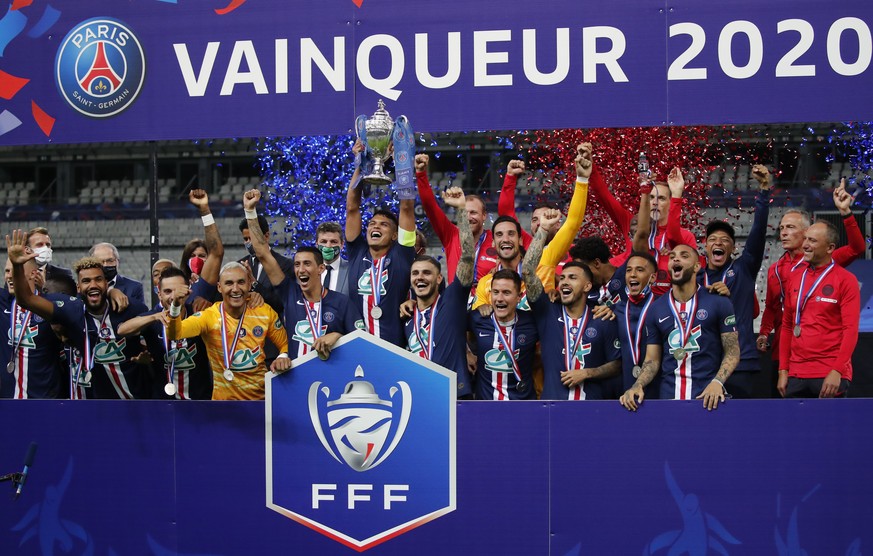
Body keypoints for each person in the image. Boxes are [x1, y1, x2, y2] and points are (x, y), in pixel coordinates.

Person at [7, 231, 155, 399]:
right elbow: (26, 299)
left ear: (107, 284)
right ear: (78, 288)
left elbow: (156, 342)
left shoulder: (130, 308)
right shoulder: (72, 310)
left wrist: (147, 360)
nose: (93, 285)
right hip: (92, 405)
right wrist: (17, 266)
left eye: (98, 279)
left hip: (135, 402)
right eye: (86, 281)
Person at [757, 179, 865, 378]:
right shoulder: (775, 269)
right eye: (781, 228)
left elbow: (857, 248)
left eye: (790, 227)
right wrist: (764, 332)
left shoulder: (823, 260)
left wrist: (846, 214)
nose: (783, 233)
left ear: (806, 232)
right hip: (782, 352)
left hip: (817, 357)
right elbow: (772, 307)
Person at [243, 189, 362, 359]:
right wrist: (250, 211)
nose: (301, 269)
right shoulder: (290, 293)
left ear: (321, 269)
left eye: (307, 264)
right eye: (297, 264)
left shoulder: (341, 302)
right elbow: (262, 253)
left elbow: (360, 341)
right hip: (298, 378)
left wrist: (338, 336)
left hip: (333, 377)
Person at [620, 244, 739, 411]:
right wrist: (638, 384)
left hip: (708, 397)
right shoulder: (656, 309)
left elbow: (732, 351)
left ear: (697, 266)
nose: (675, 259)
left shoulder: (719, 302)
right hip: (669, 399)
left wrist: (717, 382)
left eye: (684, 256)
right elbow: (652, 360)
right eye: (672, 257)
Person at [524, 207, 622, 400]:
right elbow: (528, 271)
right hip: (552, 409)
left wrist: (588, 373)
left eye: (573, 278)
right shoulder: (547, 312)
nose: (565, 282)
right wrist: (543, 231)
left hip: (592, 410)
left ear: (587, 286)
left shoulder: (602, 317)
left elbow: (617, 364)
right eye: (564, 278)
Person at [697, 164, 771, 398]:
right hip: (705, 363)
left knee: (740, 428)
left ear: (733, 247)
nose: (718, 242)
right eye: (713, 239)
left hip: (741, 363)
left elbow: (758, 233)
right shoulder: (696, 279)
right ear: (705, 246)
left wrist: (764, 190)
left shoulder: (743, 269)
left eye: (725, 240)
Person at [167, 261, 289, 400]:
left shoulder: (264, 311)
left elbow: (285, 344)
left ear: (249, 284)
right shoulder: (209, 317)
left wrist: (282, 357)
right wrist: (176, 306)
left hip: (261, 402)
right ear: (219, 287)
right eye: (229, 283)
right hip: (223, 405)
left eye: (241, 282)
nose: (235, 289)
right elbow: (174, 334)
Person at [403, 187, 476, 399]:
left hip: (454, 394)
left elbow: (467, 258)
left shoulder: (451, 301)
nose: (420, 277)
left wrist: (461, 211)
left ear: (439, 279)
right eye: (415, 273)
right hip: (418, 395)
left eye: (427, 273)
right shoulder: (406, 315)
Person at [587, 159, 698, 295]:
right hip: (631, 297)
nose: (655, 202)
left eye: (661, 198)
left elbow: (693, 272)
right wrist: (590, 168)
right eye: (651, 197)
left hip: (667, 300)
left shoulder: (685, 236)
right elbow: (605, 197)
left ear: (671, 203)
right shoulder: (632, 223)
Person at [346, 140, 416, 347]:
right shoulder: (357, 251)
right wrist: (360, 163)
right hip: (358, 345)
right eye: (372, 223)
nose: (375, 227)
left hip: (394, 348)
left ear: (395, 235)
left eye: (384, 225)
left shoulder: (402, 253)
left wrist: (401, 162)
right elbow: (352, 207)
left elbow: (406, 207)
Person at [777, 221, 860, 398]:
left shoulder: (846, 280)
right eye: (806, 239)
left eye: (812, 241)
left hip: (829, 373)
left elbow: (850, 330)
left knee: (830, 426)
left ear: (830, 248)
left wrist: (837, 371)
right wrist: (783, 370)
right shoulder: (795, 276)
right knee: (795, 426)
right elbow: (786, 327)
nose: (805, 245)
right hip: (796, 374)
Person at [414, 154, 507, 296]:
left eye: (474, 213)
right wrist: (421, 175)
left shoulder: (497, 240)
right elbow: (430, 207)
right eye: (465, 212)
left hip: (488, 305)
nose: (469, 217)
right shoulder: (451, 235)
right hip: (456, 303)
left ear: (484, 216)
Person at [116, 266, 213, 400]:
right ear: (159, 294)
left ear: (188, 291)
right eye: (167, 291)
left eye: (178, 291)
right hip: (163, 402)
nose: (174, 297)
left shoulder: (199, 315)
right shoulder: (153, 318)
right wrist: (154, 317)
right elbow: (122, 330)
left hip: (200, 400)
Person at [468, 268, 540, 400]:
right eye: (495, 292)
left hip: (523, 406)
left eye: (506, 293)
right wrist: (466, 352)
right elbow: (450, 328)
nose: (499, 298)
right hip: (485, 406)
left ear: (519, 297)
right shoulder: (478, 318)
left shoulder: (532, 322)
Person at [0, 255, 65, 399]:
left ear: (34, 274)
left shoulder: (51, 306)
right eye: (7, 271)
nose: (10, 276)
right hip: (6, 402)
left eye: (16, 270)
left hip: (44, 402)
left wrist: (111, 291)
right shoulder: (2, 302)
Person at [613, 251, 662, 401]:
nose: (632, 274)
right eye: (629, 270)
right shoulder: (615, 310)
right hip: (626, 392)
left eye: (640, 270)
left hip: (660, 392)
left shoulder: (664, 306)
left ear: (653, 277)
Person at [471, 216, 528, 310]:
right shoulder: (485, 283)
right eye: (499, 234)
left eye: (511, 234)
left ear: (520, 240)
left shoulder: (538, 274)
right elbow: (479, 322)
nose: (505, 239)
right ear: (493, 242)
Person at [316, 222, 350, 296]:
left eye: (333, 242)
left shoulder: (352, 270)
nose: (328, 246)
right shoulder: (310, 271)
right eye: (324, 242)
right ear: (317, 244)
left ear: (342, 244)